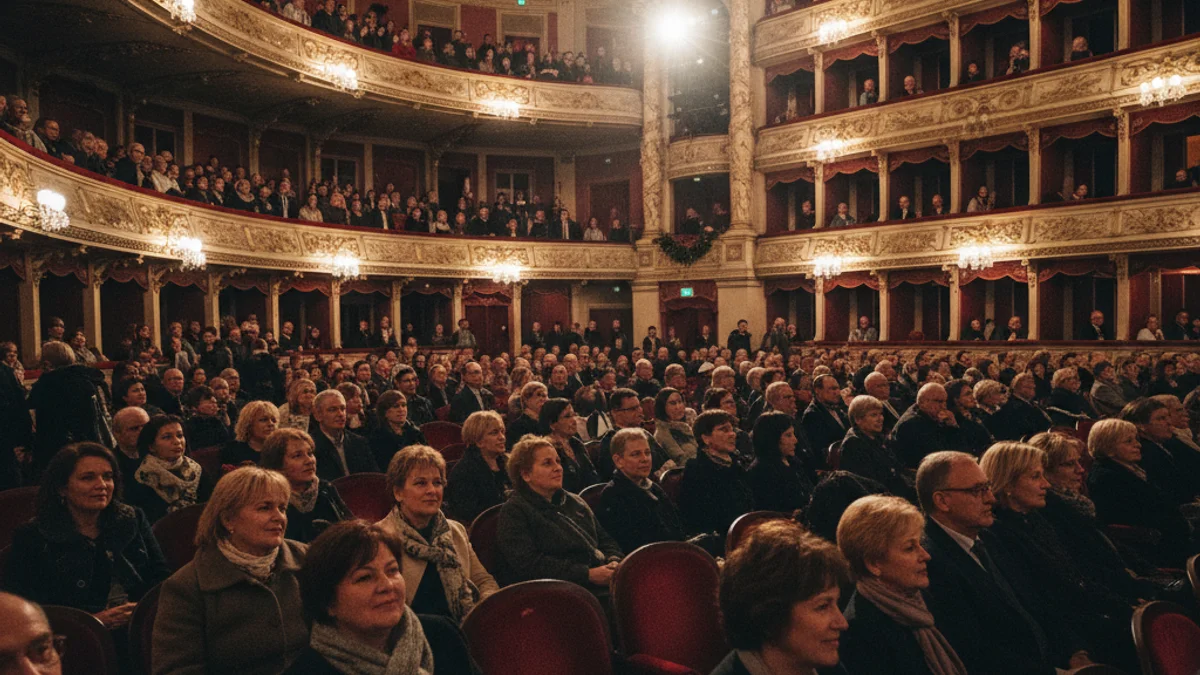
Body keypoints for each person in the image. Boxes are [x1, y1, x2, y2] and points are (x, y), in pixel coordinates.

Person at [917, 451, 1094, 674]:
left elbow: (1039, 601)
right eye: (977, 490)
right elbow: (976, 652)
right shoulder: (930, 560)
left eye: (987, 487)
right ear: (942, 501)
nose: (990, 497)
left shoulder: (992, 535)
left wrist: (1075, 652)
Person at [153, 467, 309, 675]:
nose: (278, 517)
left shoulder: (307, 560)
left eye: (282, 508)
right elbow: (178, 670)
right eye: (264, 508)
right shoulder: (187, 587)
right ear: (228, 520)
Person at [4, 443, 168, 626]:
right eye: (88, 478)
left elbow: (161, 579)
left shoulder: (132, 518)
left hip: (142, 625)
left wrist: (142, 611)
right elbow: (25, 611)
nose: (102, 485)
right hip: (75, 638)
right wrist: (93, 623)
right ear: (61, 488)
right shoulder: (32, 536)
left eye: (108, 477)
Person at [837, 495, 967, 675]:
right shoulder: (862, 631)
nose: (925, 556)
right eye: (909, 548)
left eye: (920, 544)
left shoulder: (920, 598)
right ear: (874, 564)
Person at [285, 521, 437, 675]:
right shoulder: (305, 670)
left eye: (392, 570)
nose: (387, 585)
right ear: (328, 602)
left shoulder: (443, 637)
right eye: (364, 577)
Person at [376, 445, 498, 622]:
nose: (432, 491)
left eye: (437, 482)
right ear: (398, 492)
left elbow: (483, 580)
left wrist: (481, 613)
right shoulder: (380, 539)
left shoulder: (455, 531)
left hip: (463, 627)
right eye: (420, 483)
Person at [711, 519, 851, 675]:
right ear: (769, 616)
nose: (842, 623)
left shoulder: (827, 668)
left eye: (836, 603)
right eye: (823, 606)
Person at [494, 435, 623, 588]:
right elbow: (529, 564)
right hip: (561, 591)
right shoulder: (515, 512)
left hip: (601, 579)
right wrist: (587, 574)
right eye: (547, 463)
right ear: (526, 474)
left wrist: (614, 560)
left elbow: (604, 538)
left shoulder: (575, 501)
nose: (558, 468)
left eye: (558, 461)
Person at [1087, 417, 1195, 565]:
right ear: (1108, 447)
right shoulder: (1106, 477)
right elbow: (1139, 518)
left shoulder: (1131, 468)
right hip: (1155, 547)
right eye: (1128, 441)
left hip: (1175, 533)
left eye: (1136, 439)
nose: (1137, 445)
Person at [595, 428, 686, 553]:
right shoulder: (613, 496)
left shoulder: (653, 488)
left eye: (647, 453)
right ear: (618, 461)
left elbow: (677, 528)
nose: (645, 459)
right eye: (636, 454)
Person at [27, 341, 107, 476]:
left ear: (47, 364)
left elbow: (32, 407)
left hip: (58, 450)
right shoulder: (87, 380)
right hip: (90, 444)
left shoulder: (48, 385)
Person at [260, 428, 349, 543]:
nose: (309, 461)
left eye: (310, 453)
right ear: (277, 464)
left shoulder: (325, 489)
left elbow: (348, 527)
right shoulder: (268, 497)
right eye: (297, 456)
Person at [126, 414, 214, 523]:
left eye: (180, 435)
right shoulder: (142, 477)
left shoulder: (196, 470)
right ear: (151, 446)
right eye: (167, 437)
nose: (177, 441)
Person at [679, 410, 754, 537]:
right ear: (706, 438)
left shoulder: (738, 464)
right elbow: (702, 521)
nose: (732, 434)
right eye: (724, 430)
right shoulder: (697, 471)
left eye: (732, 429)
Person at [839, 395, 915, 501]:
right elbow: (870, 485)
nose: (880, 419)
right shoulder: (853, 444)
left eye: (881, 414)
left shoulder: (876, 437)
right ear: (858, 419)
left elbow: (896, 467)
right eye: (874, 415)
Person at [445, 410, 511, 524]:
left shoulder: (507, 462)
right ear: (478, 441)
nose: (502, 437)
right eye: (494, 433)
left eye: (502, 431)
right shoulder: (464, 472)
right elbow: (470, 517)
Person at [747, 411, 814, 514]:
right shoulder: (760, 472)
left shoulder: (793, 462)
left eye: (793, 434)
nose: (795, 440)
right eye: (788, 435)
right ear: (772, 438)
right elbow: (770, 513)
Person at [310, 389, 378, 480]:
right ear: (318, 415)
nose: (340, 414)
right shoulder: (310, 446)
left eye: (343, 409)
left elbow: (374, 477)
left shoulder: (359, 442)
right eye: (332, 410)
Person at [539, 397, 599, 492]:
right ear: (552, 424)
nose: (574, 421)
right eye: (567, 417)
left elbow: (592, 475)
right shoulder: (547, 449)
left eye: (574, 415)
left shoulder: (576, 443)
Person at [367, 390, 427, 471]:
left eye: (404, 405)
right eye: (396, 406)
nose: (401, 409)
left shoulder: (415, 432)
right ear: (385, 412)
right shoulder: (377, 437)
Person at [221, 400, 279, 467]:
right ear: (248, 424)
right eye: (263, 420)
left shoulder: (280, 450)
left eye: (274, 420)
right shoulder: (232, 450)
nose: (271, 424)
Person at [653, 386, 698, 465]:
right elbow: (682, 460)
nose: (678, 407)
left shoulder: (687, 425)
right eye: (673, 403)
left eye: (680, 402)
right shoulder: (663, 434)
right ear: (662, 407)